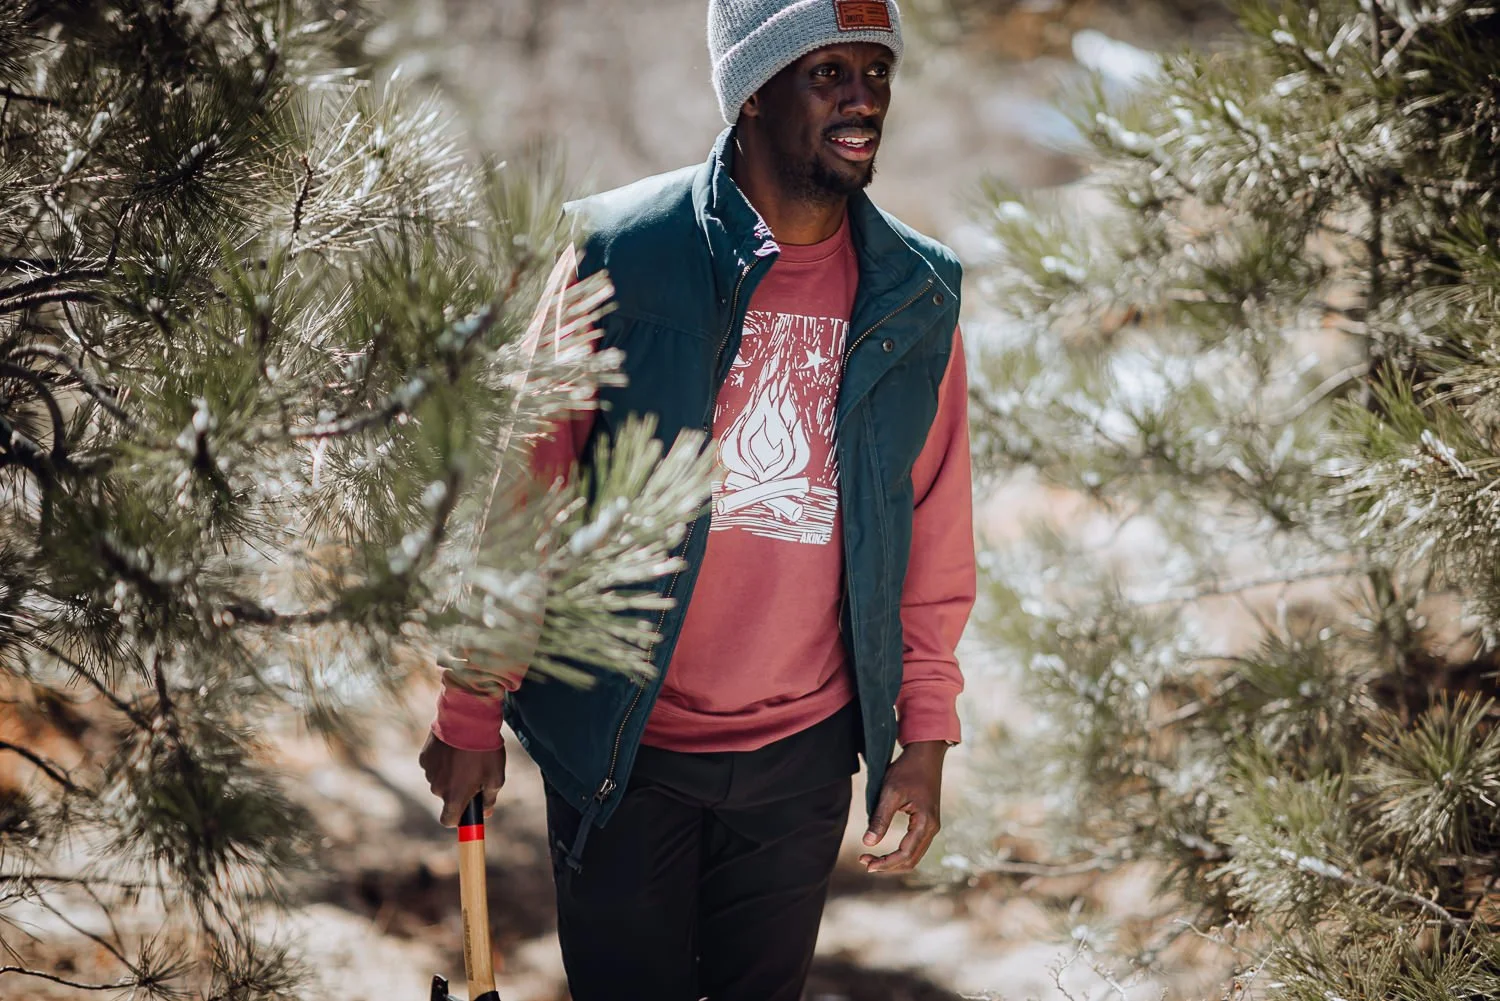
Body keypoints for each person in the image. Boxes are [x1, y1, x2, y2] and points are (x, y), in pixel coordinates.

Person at [419, 1, 975, 997]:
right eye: (828, 73)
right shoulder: (614, 254)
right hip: (629, 750)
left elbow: (935, 533)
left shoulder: (916, 297)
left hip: (805, 759)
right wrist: (472, 703)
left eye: (876, 72)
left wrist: (922, 738)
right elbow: (523, 495)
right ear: (753, 91)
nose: (863, 100)